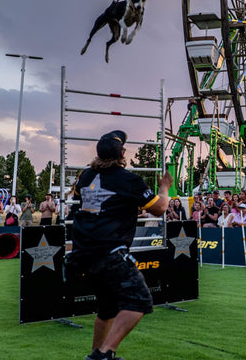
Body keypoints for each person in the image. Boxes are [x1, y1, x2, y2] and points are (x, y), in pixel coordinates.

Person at [66, 130, 170, 360]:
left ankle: (95, 355)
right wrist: (165, 187)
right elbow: (160, 208)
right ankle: (105, 353)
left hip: (84, 253)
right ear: (122, 154)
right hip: (110, 252)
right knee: (139, 300)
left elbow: (92, 203)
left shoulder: (85, 177)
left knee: (107, 308)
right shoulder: (128, 180)